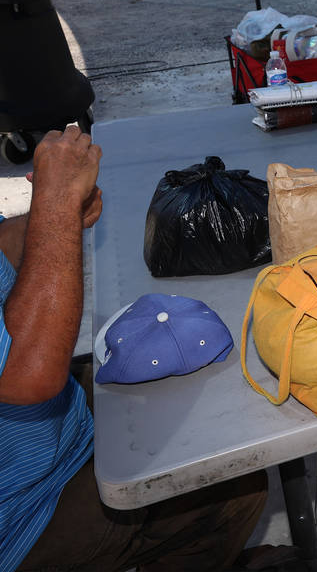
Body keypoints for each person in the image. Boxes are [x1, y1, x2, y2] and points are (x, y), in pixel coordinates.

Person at [2, 127, 267, 572]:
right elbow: (30, 374)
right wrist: (58, 200)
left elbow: (5, 249)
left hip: (58, 429)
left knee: (204, 410)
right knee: (233, 488)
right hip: (25, 512)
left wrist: (51, 217)